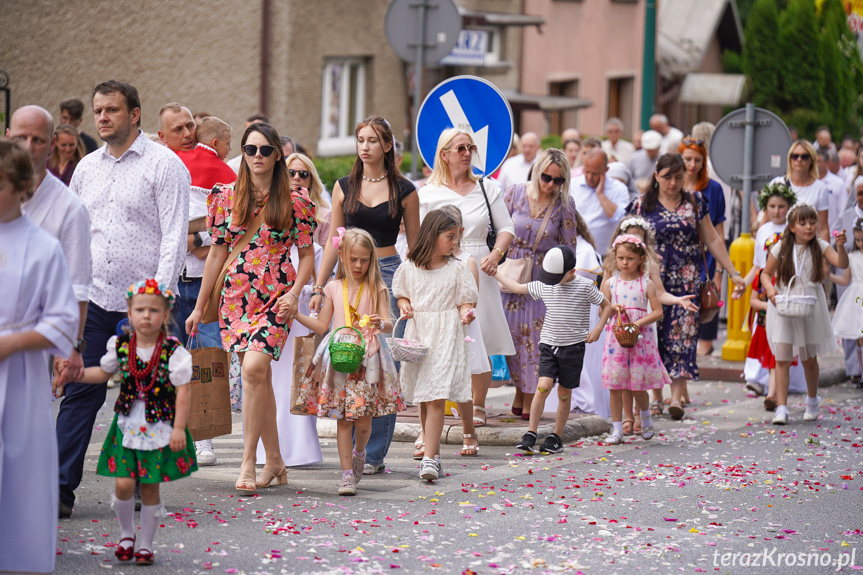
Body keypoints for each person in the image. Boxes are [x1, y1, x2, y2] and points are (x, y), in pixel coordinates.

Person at [56, 81, 190, 518]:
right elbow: (73, 235)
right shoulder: (86, 169)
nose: (102, 118)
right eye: (98, 111)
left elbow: (174, 236)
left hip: (144, 305)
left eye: (111, 110)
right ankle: (58, 488)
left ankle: (139, 482)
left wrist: (158, 301)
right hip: (93, 300)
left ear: (134, 114)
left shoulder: (165, 165)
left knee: (144, 395)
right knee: (80, 391)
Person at [186, 121, 316, 492]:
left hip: (277, 299)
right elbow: (215, 254)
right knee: (257, 379)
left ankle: (247, 462)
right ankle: (274, 460)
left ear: (277, 155)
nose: (257, 156)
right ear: (241, 153)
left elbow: (306, 255)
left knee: (255, 370)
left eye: (264, 150)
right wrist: (199, 307)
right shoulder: (224, 196)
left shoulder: (297, 201)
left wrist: (295, 292)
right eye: (249, 149)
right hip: (234, 300)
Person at [57, 280, 196, 566]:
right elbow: (100, 374)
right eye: (140, 310)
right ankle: (126, 534)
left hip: (159, 427)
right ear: (129, 315)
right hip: (127, 427)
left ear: (165, 315)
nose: (147, 316)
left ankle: (145, 544)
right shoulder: (121, 347)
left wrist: (179, 428)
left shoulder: (173, 352)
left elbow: (183, 390)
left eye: (154, 310)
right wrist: (75, 375)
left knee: (149, 487)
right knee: (123, 485)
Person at [310, 115, 419, 476]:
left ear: (387, 146)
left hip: (387, 273)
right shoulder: (344, 185)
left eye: (373, 140)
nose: (365, 146)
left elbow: (416, 248)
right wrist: (317, 285)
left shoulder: (405, 190)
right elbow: (333, 242)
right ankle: (352, 442)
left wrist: (416, 294)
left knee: (385, 364)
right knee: (349, 357)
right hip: (348, 275)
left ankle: (373, 453)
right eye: (361, 139)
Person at [0, 140, 78, 575]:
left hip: (20, 374)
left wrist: (12, 342)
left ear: (22, 187)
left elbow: (64, 320)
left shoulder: (42, 247)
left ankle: (19, 560)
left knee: (20, 470)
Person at [627, 154, 744, 420]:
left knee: (683, 337)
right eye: (667, 176)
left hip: (687, 280)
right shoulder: (641, 205)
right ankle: (656, 396)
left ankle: (676, 396)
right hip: (651, 283)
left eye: (678, 177)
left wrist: (732, 272)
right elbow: (627, 240)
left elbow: (712, 239)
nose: (673, 182)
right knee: (652, 339)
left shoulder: (694, 202)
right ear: (656, 176)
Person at [290, 228, 402, 495]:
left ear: (371, 259)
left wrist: (380, 322)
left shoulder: (377, 286)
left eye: (364, 260)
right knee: (343, 419)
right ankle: (346, 474)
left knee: (363, 421)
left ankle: (360, 452)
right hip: (338, 360)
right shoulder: (332, 288)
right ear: (341, 256)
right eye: (353, 259)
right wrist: (296, 314)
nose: (358, 265)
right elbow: (320, 325)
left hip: (368, 361)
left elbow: (389, 323)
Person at [418, 127, 515, 426]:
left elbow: (507, 229)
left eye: (470, 148)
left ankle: (479, 404)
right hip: (441, 268)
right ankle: (445, 399)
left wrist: (495, 255)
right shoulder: (428, 193)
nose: (466, 153)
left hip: (479, 266)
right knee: (445, 336)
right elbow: (420, 235)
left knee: (480, 336)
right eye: (459, 148)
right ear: (444, 154)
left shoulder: (487, 187)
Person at [495, 245, 612, 454]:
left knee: (564, 394)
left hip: (573, 347)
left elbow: (607, 305)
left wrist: (598, 329)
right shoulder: (546, 285)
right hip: (549, 343)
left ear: (572, 272)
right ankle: (531, 432)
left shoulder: (585, 286)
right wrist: (495, 273)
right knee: (543, 385)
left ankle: (556, 436)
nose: (551, 281)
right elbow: (517, 287)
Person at [8, 105, 92, 387]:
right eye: (20, 138)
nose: (28, 147)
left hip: (33, 345)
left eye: (38, 139)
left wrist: (73, 346)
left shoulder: (69, 207)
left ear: (51, 144)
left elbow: (77, 285)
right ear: (7, 137)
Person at [393, 209, 477, 480]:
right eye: (449, 236)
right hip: (419, 334)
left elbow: (465, 299)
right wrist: (405, 307)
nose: (454, 242)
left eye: (456, 237)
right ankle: (435, 453)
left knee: (437, 395)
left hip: (444, 335)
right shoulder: (408, 268)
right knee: (425, 397)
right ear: (432, 235)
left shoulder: (457, 269)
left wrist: (466, 311)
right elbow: (402, 295)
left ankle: (429, 459)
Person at [174, 115, 238, 466]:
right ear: (216, 144)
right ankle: (202, 437)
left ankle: (190, 435)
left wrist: (194, 238)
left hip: (187, 274)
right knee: (207, 358)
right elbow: (233, 226)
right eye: (229, 144)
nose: (229, 151)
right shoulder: (226, 175)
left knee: (184, 358)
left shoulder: (172, 164)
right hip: (199, 280)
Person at [501, 149, 579, 419]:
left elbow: (569, 247)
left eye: (558, 180)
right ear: (537, 172)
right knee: (512, 338)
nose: (550, 185)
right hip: (511, 275)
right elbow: (497, 230)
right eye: (547, 177)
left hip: (543, 281)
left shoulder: (564, 205)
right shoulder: (514, 193)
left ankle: (530, 397)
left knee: (535, 342)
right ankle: (520, 392)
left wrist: (565, 283)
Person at [761, 204, 847, 424]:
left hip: (810, 303)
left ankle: (812, 400)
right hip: (784, 301)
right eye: (803, 223)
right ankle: (782, 407)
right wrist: (770, 289)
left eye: (812, 222)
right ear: (792, 227)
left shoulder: (819, 245)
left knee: (809, 358)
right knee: (782, 358)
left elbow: (841, 263)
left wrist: (840, 247)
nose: (809, 227)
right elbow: (765, 273)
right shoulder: (781, 247)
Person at [599, 234, 669, 445]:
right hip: (616, 341)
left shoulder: (645, 284)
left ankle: (645, 416)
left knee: (638, 387)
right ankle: (617, 428)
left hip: (640, 339)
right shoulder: (611, 283)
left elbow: (658, 312)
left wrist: (639, 322)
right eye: (620, 258)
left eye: (629, 258)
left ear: (640, 259)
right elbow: (603, 310)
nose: (624, 263)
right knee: (615, 386)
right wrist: (612, 308)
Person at [737, 183, 803, 405]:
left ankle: (779, 387)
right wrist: (744, 285)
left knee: (784, 340)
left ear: (789, 207)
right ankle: (766, 384)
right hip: (766, 285)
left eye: (781, 206)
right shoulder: (764, 231)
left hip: (787, 284)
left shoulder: (794, 229)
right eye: (772, 206)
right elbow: (758, 266)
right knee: (766, 339)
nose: (776, 211)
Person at [678, 137, 726, 357]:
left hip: (705, 259)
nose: (692, 165)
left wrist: (719, 271)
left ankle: (703, 347)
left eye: (698, 160)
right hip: (677, 260)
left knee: (706, 304)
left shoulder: (713, 189)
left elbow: (718, 233)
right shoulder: (672, 185)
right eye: (688, 159)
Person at [570, 149, 631, 255]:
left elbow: (620, 219)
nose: (589, 177)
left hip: (605, 255)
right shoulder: (573, 185)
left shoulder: (619, 189)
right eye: (587, 171)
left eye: (595, 173)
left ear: (606, 170)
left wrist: (601, 195)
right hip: (576, 253)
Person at [770, 140, 829, 241]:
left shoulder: (820, 188)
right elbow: (767, 217)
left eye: (804, 156)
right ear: (790, 159)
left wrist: (825, 255)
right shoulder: (777, 183)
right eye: (795, 156)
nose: (799, 159)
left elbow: (822, 227)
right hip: (780, 242)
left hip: (807, 244)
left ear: (812, 160)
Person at [830, 218, 863, 389]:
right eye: (858, 240)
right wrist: (827, 276)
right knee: (859, 338)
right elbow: (844, 280)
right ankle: (861, 373)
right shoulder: (852, 257)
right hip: (857, 299)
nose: (860, 243)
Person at [286, 152, 331, 246]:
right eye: (291, 173)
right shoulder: (270, 209)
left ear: (311, 180)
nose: (297, 178)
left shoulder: (325, 215)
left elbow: (325, 256)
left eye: (303, 174)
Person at [815, 148, 847, 229]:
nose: (814, 164)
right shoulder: (806, 181)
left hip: (832, 233)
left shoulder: (838, 183)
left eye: (818, 161)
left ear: (826, 163)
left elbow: (842, 211)